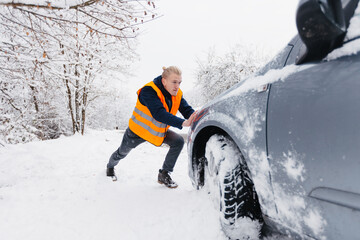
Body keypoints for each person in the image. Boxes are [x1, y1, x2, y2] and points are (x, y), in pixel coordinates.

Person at [106, 66, 197, 188]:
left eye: (179, 83)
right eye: (174, 82)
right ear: (164, 81)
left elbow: (186, 110)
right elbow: (159, 113)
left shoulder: (176, 94)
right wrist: (182, 123)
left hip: (156, 132)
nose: (177, 86)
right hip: (137, 132)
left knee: (178, 141)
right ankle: (110, 166)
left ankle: (164, 174)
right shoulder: (148, 91)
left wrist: (197, 116)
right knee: (121, 153)